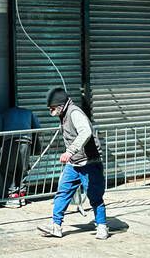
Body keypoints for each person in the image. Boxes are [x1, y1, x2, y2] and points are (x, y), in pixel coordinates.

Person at [38, 88, 109, 240]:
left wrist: (69, 152)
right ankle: (56, 226)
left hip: (89, 162)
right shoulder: (63, 114)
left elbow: (86, 132)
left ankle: (102, 226)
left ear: (61, 105)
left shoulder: (74, 113)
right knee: (62, 193)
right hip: (74, 164)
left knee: (95, 196)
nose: (51, 111)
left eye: (52, 108)